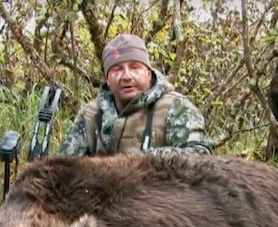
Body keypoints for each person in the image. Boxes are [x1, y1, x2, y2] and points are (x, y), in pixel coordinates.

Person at [56, 33, 213, 157]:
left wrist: (138, 160)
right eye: (117, 69)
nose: (127, 76)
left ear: (148, 73)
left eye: (135, 67)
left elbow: (199, 157)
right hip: (102, 195)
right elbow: (64, 166)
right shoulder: (91, 113)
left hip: (159, 194)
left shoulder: (175, 107)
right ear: (108, 79)